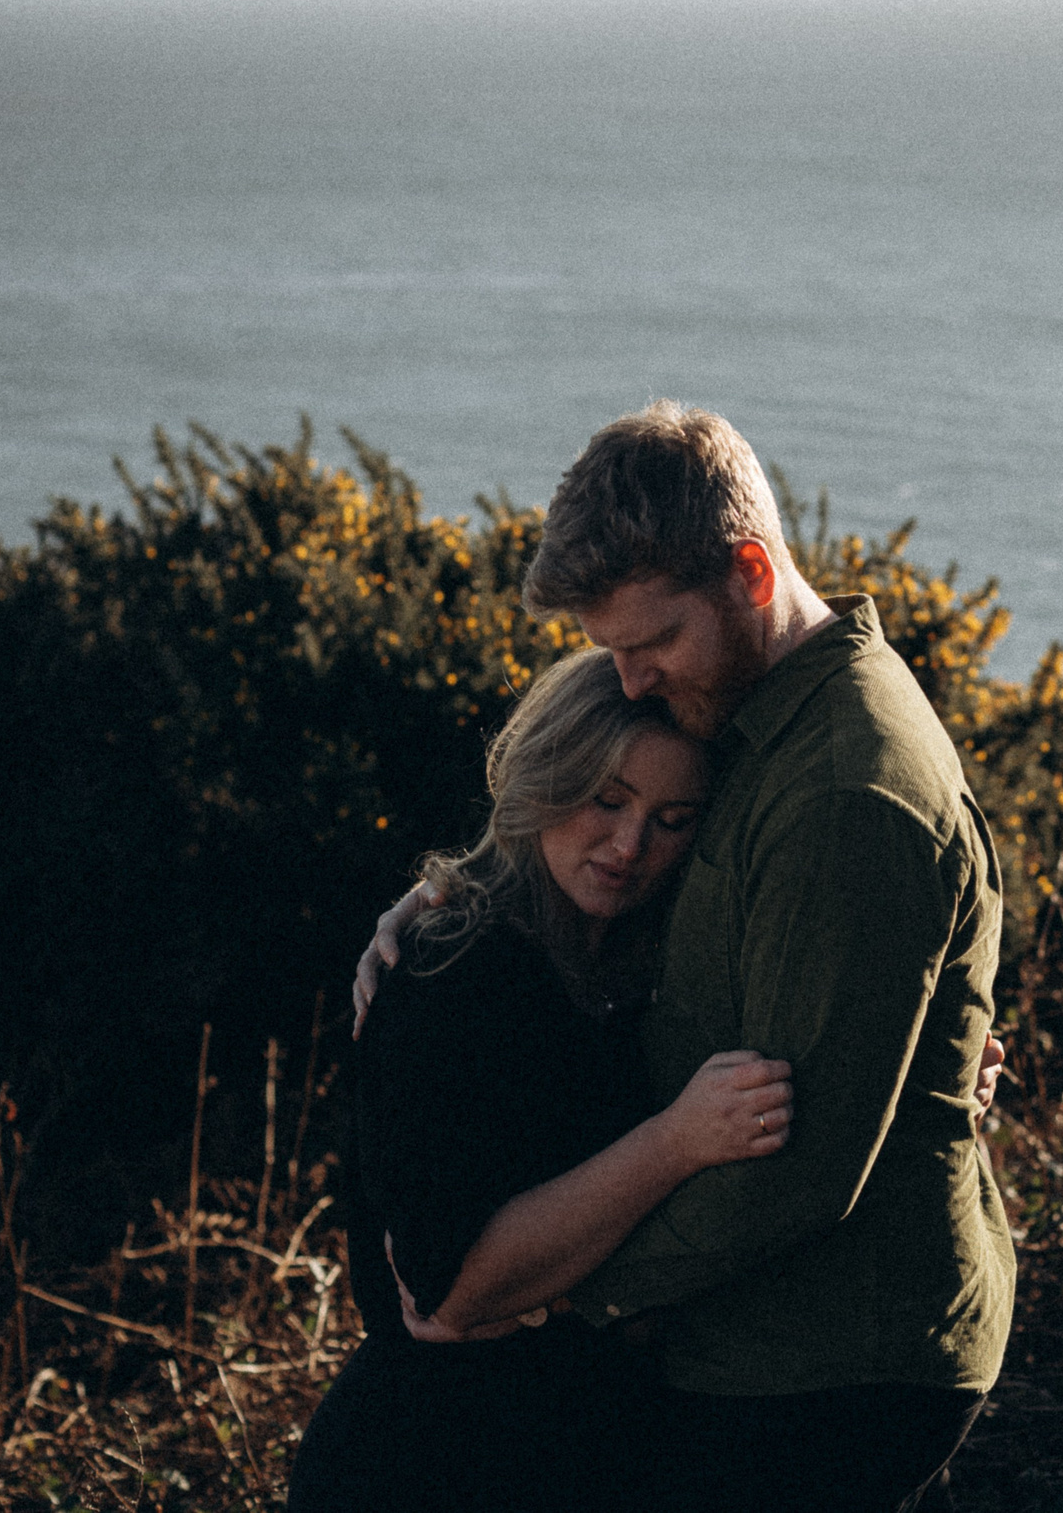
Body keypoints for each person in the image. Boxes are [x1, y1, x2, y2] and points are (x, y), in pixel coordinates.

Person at [359, 401, 1014, 1513]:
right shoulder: (753, 722)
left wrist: (547, 1290)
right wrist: (461, 895)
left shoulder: (840, 792)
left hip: (821, 1360)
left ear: (752, 574)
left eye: (653, 642)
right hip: (749, 1343)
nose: (630, 682)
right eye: (608, 652)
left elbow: (798, 1174)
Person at [287, 648, 796, 1512]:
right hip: (427, 1467)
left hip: (581, 1448)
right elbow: (446, 1291)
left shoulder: (649, 959)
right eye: (606, 799)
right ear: (547, 772)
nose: (631, 845)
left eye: (674, 819)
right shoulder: (453, 969)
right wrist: (673, 1142)